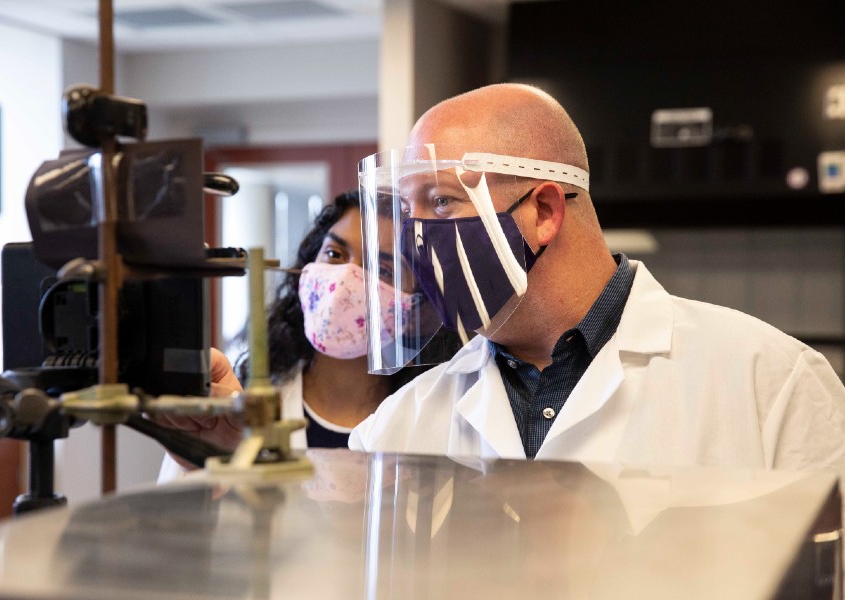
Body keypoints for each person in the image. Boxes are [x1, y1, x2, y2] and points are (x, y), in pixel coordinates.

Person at [350, 83, 845, 473]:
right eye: (405, 211)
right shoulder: (398, 426)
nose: (413, 237)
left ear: (544, 210)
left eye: (440, 202)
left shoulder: (771, 384)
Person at [159, 190, 426, 479]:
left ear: (416, 307)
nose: (345, 278)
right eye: (334, 254)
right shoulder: (238, 407)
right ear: (307, 269)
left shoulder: (430, 421)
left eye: (383, 269)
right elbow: (179, 513)